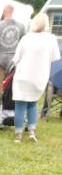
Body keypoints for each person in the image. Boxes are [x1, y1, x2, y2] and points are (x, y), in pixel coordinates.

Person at [12, 13, 60, 144]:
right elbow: (55, 58)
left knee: (20, 105)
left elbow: (16, 59)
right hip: (39, 76)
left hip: (23, 75)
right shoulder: (51, 39)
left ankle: (18, 134)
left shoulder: (26, 38)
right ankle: (32, 131)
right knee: (33, 103)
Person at [0, 4, 25, 115]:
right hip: (14, 59)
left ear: (4, 12)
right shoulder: (21, 26)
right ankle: (9, 107)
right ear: (12, 11)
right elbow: (23, 43)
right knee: (12, 84)